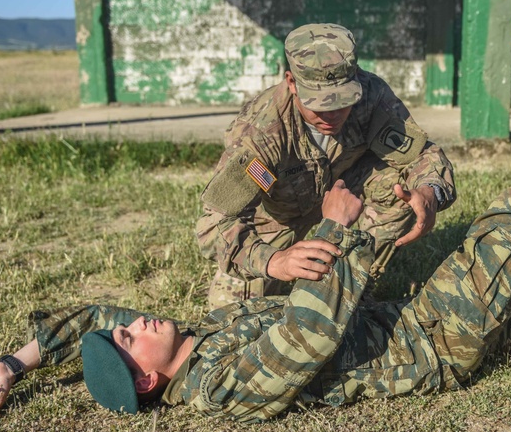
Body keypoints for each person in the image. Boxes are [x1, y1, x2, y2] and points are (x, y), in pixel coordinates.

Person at [0, 182, 511, 422]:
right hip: (430, 344)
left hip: (400, 319)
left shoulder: (191, 341)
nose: (132, 323)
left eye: (126, 328)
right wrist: (335, 227)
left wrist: (13, 363)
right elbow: (309, 336)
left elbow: (88, 318)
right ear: (150, 381)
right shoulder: (220, 384)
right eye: (130, 343)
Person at [196, 22, 457, 307]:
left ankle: (354, 282)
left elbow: (420, 154)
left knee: (403, 188)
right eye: (318, 104)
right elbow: (215, 224)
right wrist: (276, 260)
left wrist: (431, 191)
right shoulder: (261, 131)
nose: (331, 114)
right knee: (228, 307)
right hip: (278, 217)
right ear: (292, 83)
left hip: (346, 193)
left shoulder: (371, 95)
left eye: (342, 101)